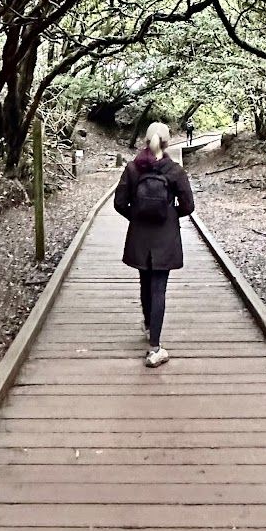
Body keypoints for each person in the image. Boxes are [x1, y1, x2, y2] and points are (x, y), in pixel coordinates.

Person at [114, 121, 195, 367]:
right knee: (159, 288)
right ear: (168, 142)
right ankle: (155, 348)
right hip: (165, 238)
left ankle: (150, 327)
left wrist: (137, 216)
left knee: (144, 281)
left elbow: (119, 203)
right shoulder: (175, 171)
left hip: (140, 236)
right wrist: (169, 215)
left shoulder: (132, 169)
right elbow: (189, 206)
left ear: (145, 141)